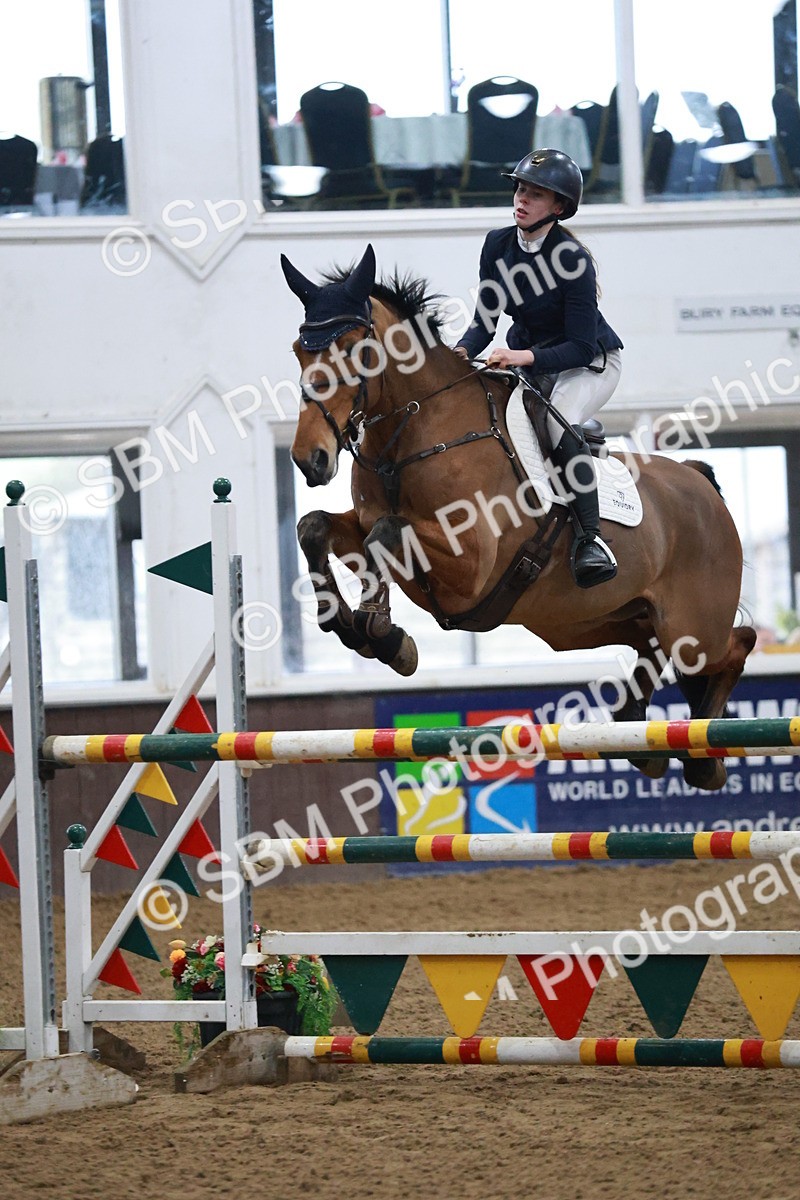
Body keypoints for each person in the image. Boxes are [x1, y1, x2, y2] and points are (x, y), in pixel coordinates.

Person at [454, 149, 623, 589]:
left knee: (554, 419)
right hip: (533, 361)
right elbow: (484, 322)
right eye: (520, 189)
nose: (521, 200)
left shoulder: (573, 260)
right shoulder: (497, 245)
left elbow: (580, 347)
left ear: (559, 207)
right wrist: (457, 354)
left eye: (535, 194)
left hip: (590, 363)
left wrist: (520, 357)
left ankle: (591, 540)